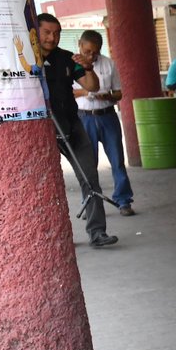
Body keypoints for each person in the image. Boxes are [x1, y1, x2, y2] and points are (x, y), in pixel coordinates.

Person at [36, 13, 115, 248]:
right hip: (44, 130)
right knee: (47, 184)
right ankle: (56, 236)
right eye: (47, 32)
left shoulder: (67, 58)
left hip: (73, 124)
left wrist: (88, 67)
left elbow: (92, 86)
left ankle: (97, 232)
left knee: (90, 177)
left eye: (56, 33)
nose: (52, 37)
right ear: (36, 32)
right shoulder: (28, 58)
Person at [74, 29, 136, 216]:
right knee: (88, 164)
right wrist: (87, 92)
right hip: (84, 117)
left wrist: (106, 95)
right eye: (87, 51)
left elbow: (119, 93)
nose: (91, 55)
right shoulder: (72, 65)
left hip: (107, 116)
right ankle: (91, 203)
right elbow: (68, 92)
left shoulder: (109, 64)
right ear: (80, 45)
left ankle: (123, 200)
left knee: (117, 160)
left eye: (95, 51)